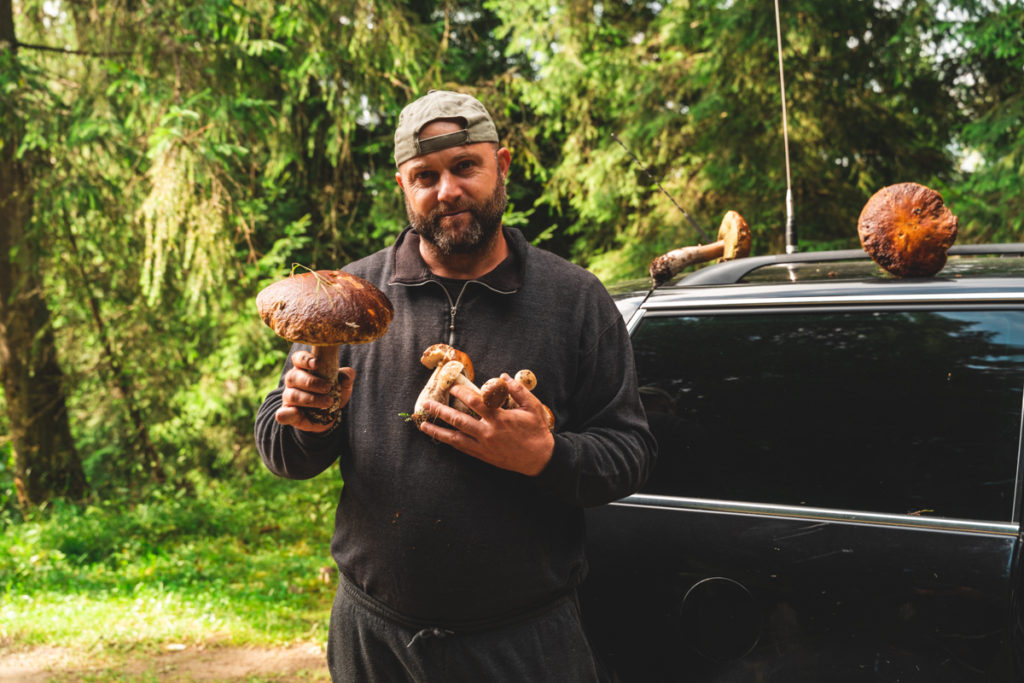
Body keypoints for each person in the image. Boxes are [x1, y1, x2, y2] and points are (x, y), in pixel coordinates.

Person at [255, 89, 657, 682]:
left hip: (526, 643)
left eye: (465, 166)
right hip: (376, 640)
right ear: (402, 186)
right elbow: (286, 449)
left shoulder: (573, 299)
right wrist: (312, 419)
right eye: (425, 176)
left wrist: (544, 456)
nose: (446, 191)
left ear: (504, 166)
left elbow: (630, 453)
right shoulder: (350, 297)